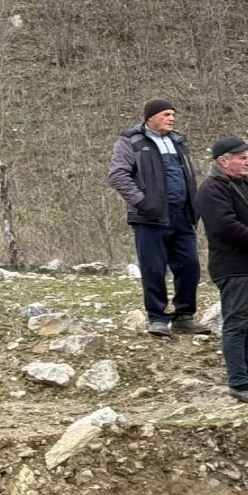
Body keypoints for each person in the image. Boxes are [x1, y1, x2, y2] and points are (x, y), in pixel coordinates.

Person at [108, 98, 211, 337]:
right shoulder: (130, 142)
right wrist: (143, 203)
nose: (172, 118)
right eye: (166, 114)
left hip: (182, 215)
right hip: (149, 217)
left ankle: (184, 317)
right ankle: (157, 318)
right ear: (150, 117)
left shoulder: (179, 142)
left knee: (190, 267)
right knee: (153, 269)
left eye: (173, 114)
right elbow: (118, 176)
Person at [193, 135, 248, 403]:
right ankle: (238, 382)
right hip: (235, 267)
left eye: (247, 157)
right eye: (242, 158)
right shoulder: (211, 189)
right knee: (237, 323)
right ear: (223, 161)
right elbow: (226, 228)